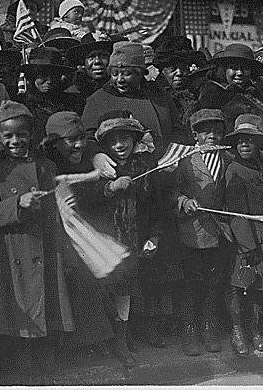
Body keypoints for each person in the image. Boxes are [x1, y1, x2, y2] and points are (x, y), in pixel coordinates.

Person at [0, 101, 73, 385]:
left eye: (21, 134)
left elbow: (62, 207)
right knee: (21, 321)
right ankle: (26, 378)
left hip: (46, 249)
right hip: (14, 251)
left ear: (31, 135)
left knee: (48, 315)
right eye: (8, 136)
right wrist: (17, 203)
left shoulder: (46, 167)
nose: (15, 141)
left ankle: (46, 377)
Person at [91, 112, 163, 367]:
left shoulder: (142, 169)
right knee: (105, 292)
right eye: (113, 141)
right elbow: (86, 199)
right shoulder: (99, 168)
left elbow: (153, 207)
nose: (120, 145)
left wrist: (153, 236)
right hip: (105, 244)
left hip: (133, 243)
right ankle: (108, 340)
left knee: (127, 293)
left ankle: (123, 338)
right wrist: (109, 187)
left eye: (125, 139)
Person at [43, 112, 116, 358]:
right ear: (54, 143)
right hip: (56, 236)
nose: (79, 145)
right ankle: (68, 346)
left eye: (82, 138)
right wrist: (94, 174)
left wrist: (95, 155)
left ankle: (92, 340)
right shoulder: (46, 165)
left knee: (87, 286)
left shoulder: (87, 158)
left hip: (82, 234)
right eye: (71, 140)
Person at [171, 108, 233, 357]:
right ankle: (189, 327)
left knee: (213, 281)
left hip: (220, 230)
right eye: (206, 131)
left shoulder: (228, 159)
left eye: (217, 131)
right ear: (195, 134)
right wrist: (184, 201)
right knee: (190, 283)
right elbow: (170, 191)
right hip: (191, 230)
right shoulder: (185, 160)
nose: (212, 136)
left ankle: (208, 326)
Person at [223, 114, 263, 356]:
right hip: (243, 236)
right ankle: (237, 332)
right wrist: (246, 244)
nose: (245, 145)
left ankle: (254, 328)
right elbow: (235, 211)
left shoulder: (261, 167)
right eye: (240, 141)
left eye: (251, 140)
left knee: (258, 284)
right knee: (239, 282)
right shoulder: (234, 170)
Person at [82, 41, 190, 169]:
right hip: (121, 174)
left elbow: (178, 130)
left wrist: (173, 156)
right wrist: (96, 155)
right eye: (115, 74)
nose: (120, 80)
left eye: (127, 74)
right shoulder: (98, 100)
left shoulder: (159, 96)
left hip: (166, 170)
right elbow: (87, 137)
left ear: (140, 73)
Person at [19, 46, 76, 148]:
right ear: (33, 76)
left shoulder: (71, 102)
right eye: (43, 75)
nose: (49, 81)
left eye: (54, 75)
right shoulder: (23, 105)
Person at [200, 44, 263, 127]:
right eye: (234, 68)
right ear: (224, 70)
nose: (240, 73)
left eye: (245, 68)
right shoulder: (212, 95)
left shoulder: (258, 94)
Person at [151, 36, 206, 128]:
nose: (179, 73)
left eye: (183, 67)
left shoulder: (199, 94)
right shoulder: (155, 96)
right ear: (162, 70)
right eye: (173, 69)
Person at [64, 33, 115, 114]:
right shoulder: (72, 95)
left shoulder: (122, 89)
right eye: (91, 57)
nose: (97, 61)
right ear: (84, 62)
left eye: (103, 56)